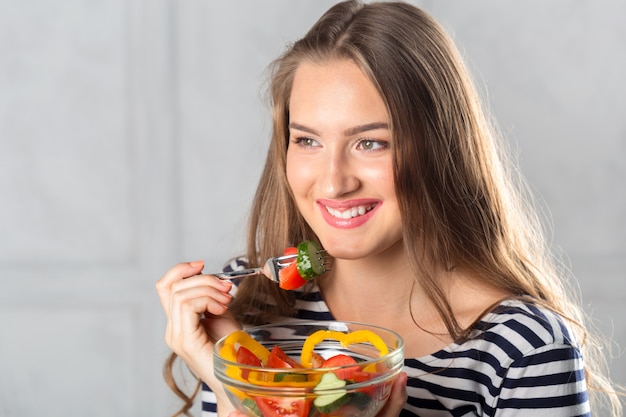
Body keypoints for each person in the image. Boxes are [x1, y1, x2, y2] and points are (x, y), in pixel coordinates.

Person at [156, 1, 624, 416]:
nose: (335, 181)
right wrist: (231, 372)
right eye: (308, 140)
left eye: (370, 142)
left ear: (442, 149)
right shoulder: (246, 310)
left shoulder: (523, 350)